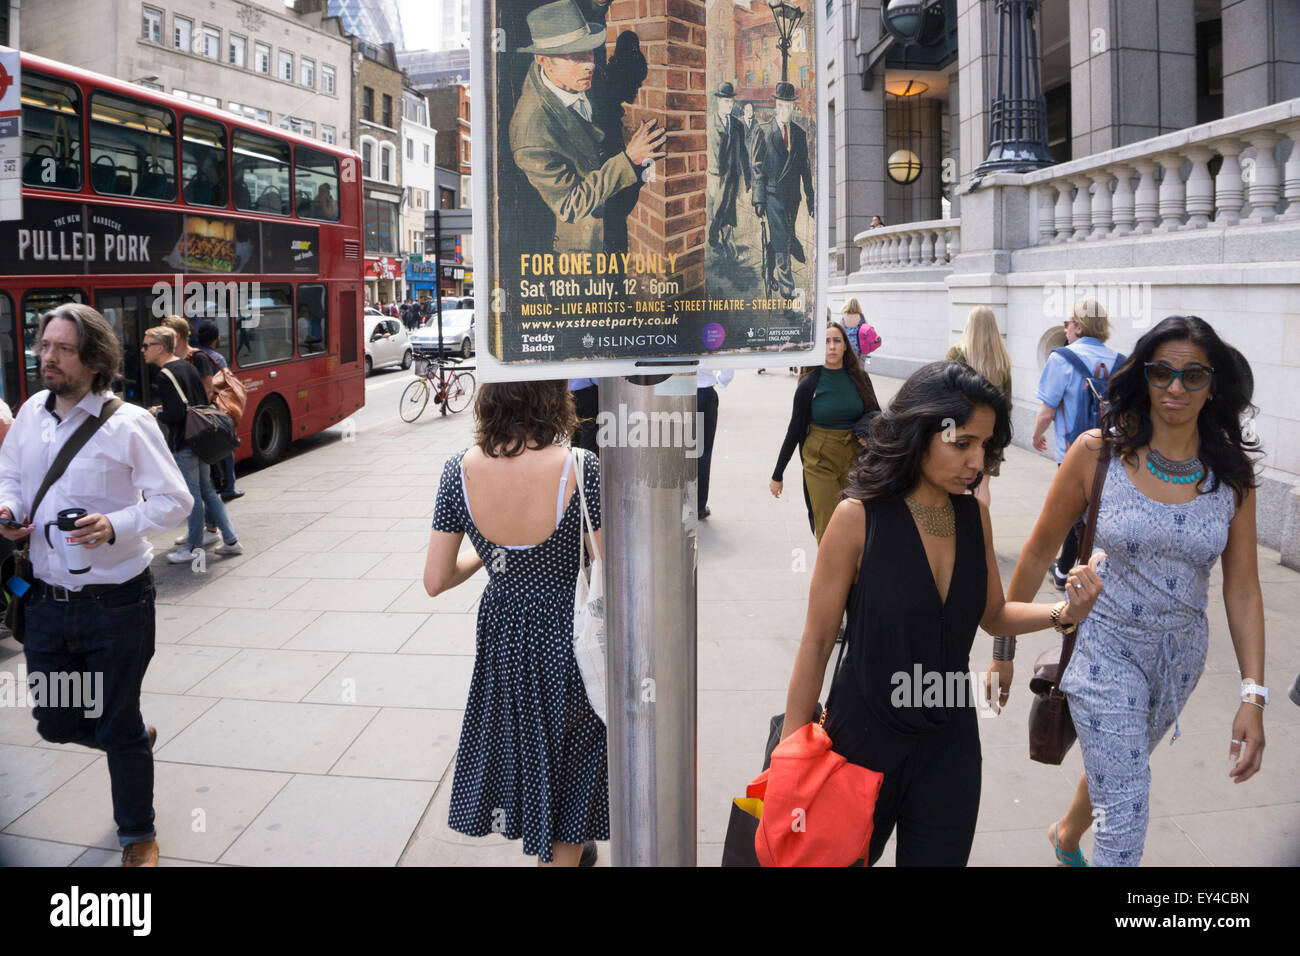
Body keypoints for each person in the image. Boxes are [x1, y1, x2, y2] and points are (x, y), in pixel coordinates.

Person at [777, 362, 1105, 866]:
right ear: (920, 431)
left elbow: (994, 614)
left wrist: (1066, 610)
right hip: (862, 740)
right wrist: (789, 756)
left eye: (985, 446)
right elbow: (817, 643)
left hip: (949, 741)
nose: (977, 461)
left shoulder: (974, 517)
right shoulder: (857, 519)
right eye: (962, 443)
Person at [990, 315, 1266, 867]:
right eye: (1162, 372)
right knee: (1128, 809)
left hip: (1180, 656)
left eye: (1193, 376)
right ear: (1142, 376)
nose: (1175, 388)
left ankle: (1065, 834)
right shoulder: (1098, 454)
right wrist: (1004, 649)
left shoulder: (1231, 476)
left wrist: (1252, 696)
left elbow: (1243, 592)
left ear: (1214, 385)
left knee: (1123, 766)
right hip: (1100, 644)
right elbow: (1041, 550)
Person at [0, 304, 192, 866]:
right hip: (44, 603)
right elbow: (10, 473)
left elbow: (175, 501)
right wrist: (8, 506)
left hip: (118, 604)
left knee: (114, 718)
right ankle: (131, 735)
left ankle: (139, 835)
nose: (47, 357)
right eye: (45, 345)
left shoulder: (129, 423)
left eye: (62, 348)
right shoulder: (32, 411)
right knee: (55, 721)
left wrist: (116, 524)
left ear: (94, 359)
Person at [424, 380, 605, 866]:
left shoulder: (457, 471)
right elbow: (607, 562)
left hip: (503, 632)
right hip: (566, 628)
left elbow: (435, 579)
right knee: (571, 758)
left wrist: (494, 554)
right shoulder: (579, 467)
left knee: (529, 752)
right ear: (552, 400)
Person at [510, 0, 666, 256]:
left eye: (590, 51)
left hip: (612, 219)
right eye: (575, 56)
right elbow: (571, 205)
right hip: (584, 247)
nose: (589, 64)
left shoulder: (569, 76)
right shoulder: (532, 134)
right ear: (544, 61)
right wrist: (629, 159)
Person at [1033, 299, 1122, 589]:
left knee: (1073, 512)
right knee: (1095, 510)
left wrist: (1038, 434)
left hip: (1072, 453)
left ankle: (1073, 573)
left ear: (1079, 326)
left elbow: (1047, 410)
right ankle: (1068, 570)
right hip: (1112, 451)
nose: (1065, 327)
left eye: (1067, 322)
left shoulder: (1061, 358)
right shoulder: (1121, 361)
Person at [770, 322, 879, 542]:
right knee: (829, 528)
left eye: (837, 341)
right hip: (819, 459)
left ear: (845, 346)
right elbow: (795, 429)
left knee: (857, 525)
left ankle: (854, 575)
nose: (832, 347)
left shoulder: (860, 379)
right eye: (826, 341)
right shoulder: (809, 385)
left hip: (855, 458)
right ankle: (831, 575)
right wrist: (777, 474)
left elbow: (876, 413)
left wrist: (869, 433)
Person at [143, 327, 242, 563]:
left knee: (193, 495)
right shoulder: (187, 365)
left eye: (147, 345)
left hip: (185, 441)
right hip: (202, 439)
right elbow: (196, 401)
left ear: (160, 347)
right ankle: (231, 540)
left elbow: (176, 414)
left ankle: (193, 547)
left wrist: (158, 413)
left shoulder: (164, 375)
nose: (143, 350)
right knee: (208, 490)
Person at [945, 305, 1013, 507]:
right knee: (983, 484)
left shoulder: (957, 353)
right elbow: (1007, 401)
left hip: (964, 428)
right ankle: (981, 528)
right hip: (992, 431)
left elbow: (947, 393)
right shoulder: (1002, 360)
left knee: (959, 481)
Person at [752, 82, 813, 300]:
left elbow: (805, 168)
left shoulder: (799, 133)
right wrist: (758, 200)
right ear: (776, 105)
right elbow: (757, 167)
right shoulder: (764, 131)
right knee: (782, 241)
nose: (785, 110)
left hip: (792, 198)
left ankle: (767, 272)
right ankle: (788, 293)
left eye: (789, 106)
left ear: (793, 107)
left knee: (781, 238)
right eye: (781, 106)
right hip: (772, 196)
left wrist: (810, 198)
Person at [193, 321, 242, 503]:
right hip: (216, 409)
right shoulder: (217, 359)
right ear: (216, 339)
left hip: (196, 411)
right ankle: (229, 487)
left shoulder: (192, 354)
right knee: (227, 447)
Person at [707, 81, 751, 261]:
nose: (729, 105)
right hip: (715, 175)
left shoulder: (737, 125)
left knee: (729, 210)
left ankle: (726, 243)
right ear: (718, 102)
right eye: (725, 102)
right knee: (717, 211)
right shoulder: (709, 123)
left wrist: (748, 179)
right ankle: (714, 238)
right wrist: (709, 175)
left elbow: (744, 153)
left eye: (731, 102)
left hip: (732, 176)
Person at [696, 368, 734, 519]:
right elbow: (727, 366)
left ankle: (674, 502)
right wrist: (720, 380)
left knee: (673, 449)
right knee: (703, 452)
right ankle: (699, 505)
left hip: (672, 388)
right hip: (703, 392)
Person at [568, 377, 599, 456]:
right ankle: (586, 464)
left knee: (575, 432)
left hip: (571, 391)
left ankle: (577, 464)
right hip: (588, 390)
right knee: (589, 433)